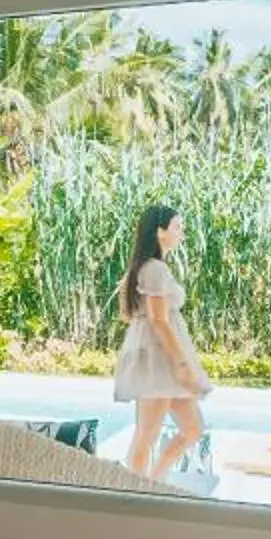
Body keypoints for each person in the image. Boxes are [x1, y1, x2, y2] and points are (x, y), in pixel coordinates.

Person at [112, 203, 213, 480]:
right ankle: (136, 490)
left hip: (161, 358)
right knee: (147, 435)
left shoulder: (151, 267)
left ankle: (153, 482)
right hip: (160, 359)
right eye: (178, 227)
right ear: (159, 231)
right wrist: (181, 362)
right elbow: (158, 319)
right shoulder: (154, 269)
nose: (182, 233)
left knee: (192, 428)